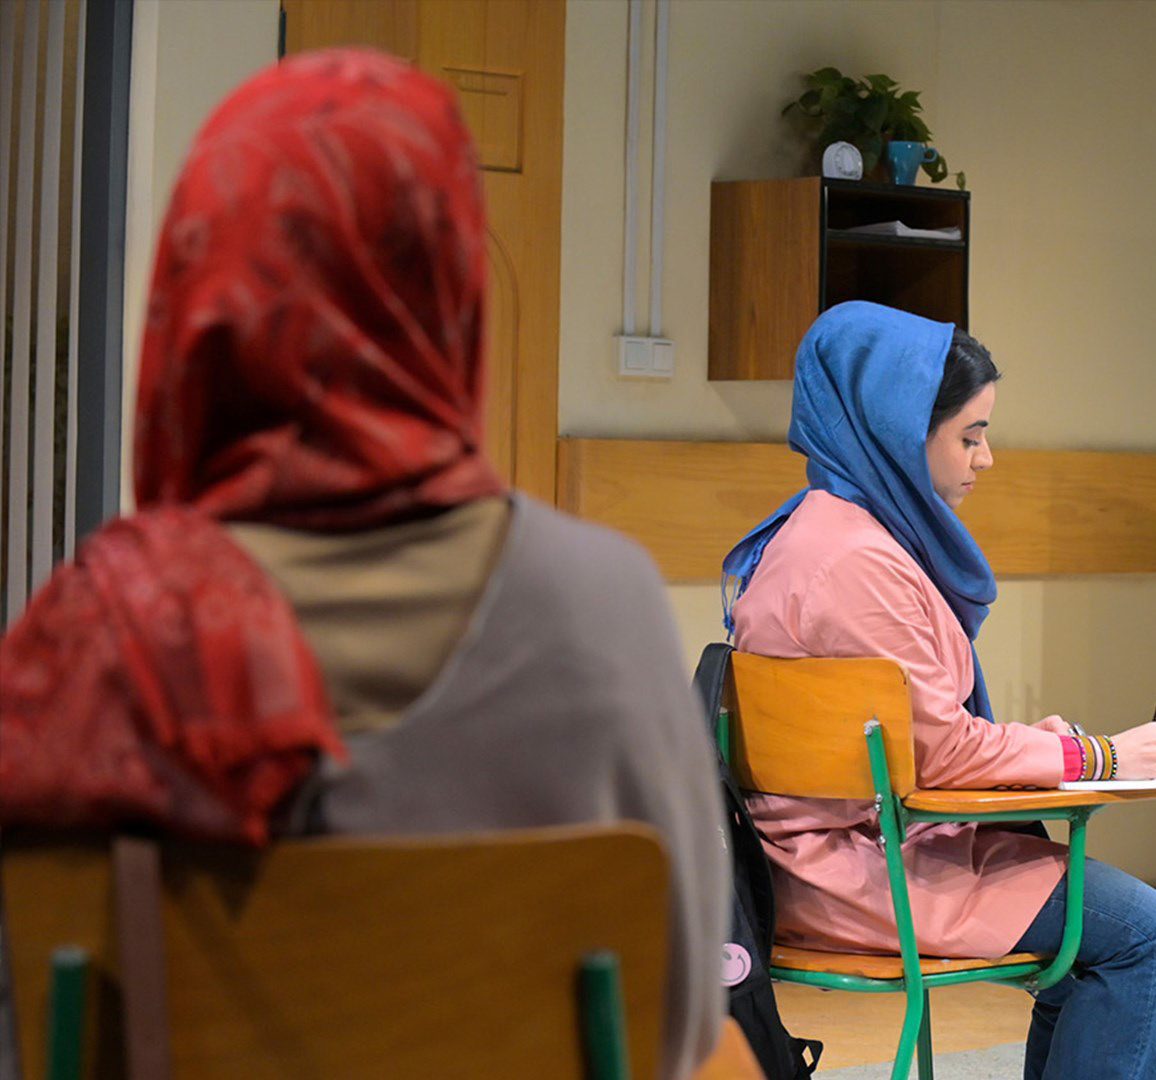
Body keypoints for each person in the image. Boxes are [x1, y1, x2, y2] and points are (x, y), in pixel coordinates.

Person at [0, 49, 726, 1080]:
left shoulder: (93, 632)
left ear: (196, 294)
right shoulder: (602, 604)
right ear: (451, 287)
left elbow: (33, 1029)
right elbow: (679, 1018)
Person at [722, 301, 1156, 1079]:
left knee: (1092, 942)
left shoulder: (812, 532)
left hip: (806, 857)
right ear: (900, 433)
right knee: (1143, 932)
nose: (986, 458)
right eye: (969, 436)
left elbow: (912, 735)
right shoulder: (859, 564)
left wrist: (1041, 749)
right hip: (858, 874)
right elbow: (939, 753)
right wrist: (1097, 755)